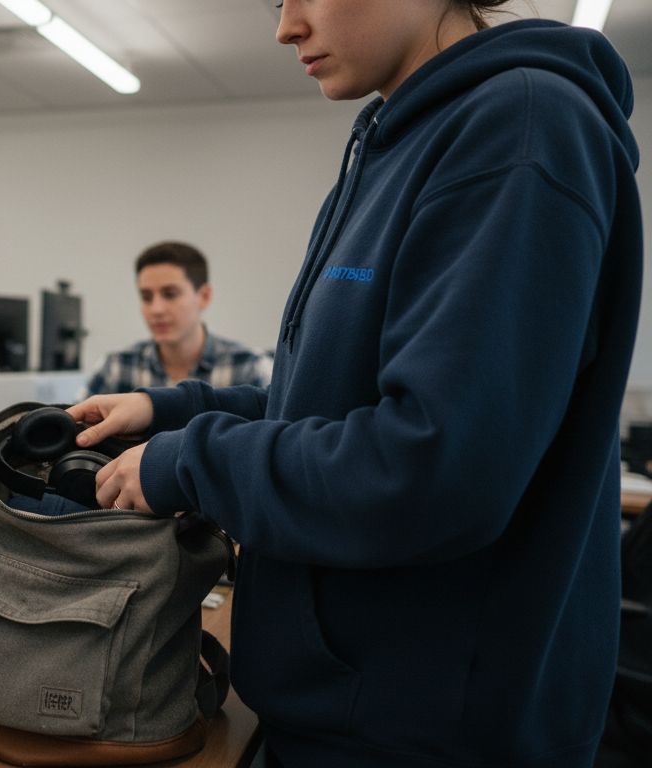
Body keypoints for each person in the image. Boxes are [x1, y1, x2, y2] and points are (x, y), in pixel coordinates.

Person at [69, 2, 641, 766]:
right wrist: (170, 409)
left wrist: (190, 461)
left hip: (428, 736)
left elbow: (428, 468)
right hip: (349, 713)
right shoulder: (390, 137)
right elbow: (332, 405)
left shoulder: (519, 128)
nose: (286, 27)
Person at [85, 242, 271, 397]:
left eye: (170, 294)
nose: (156, 309)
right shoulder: (116, 367)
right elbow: (73, 431)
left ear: (204, 296)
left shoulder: (250, 368)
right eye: (146, 297)